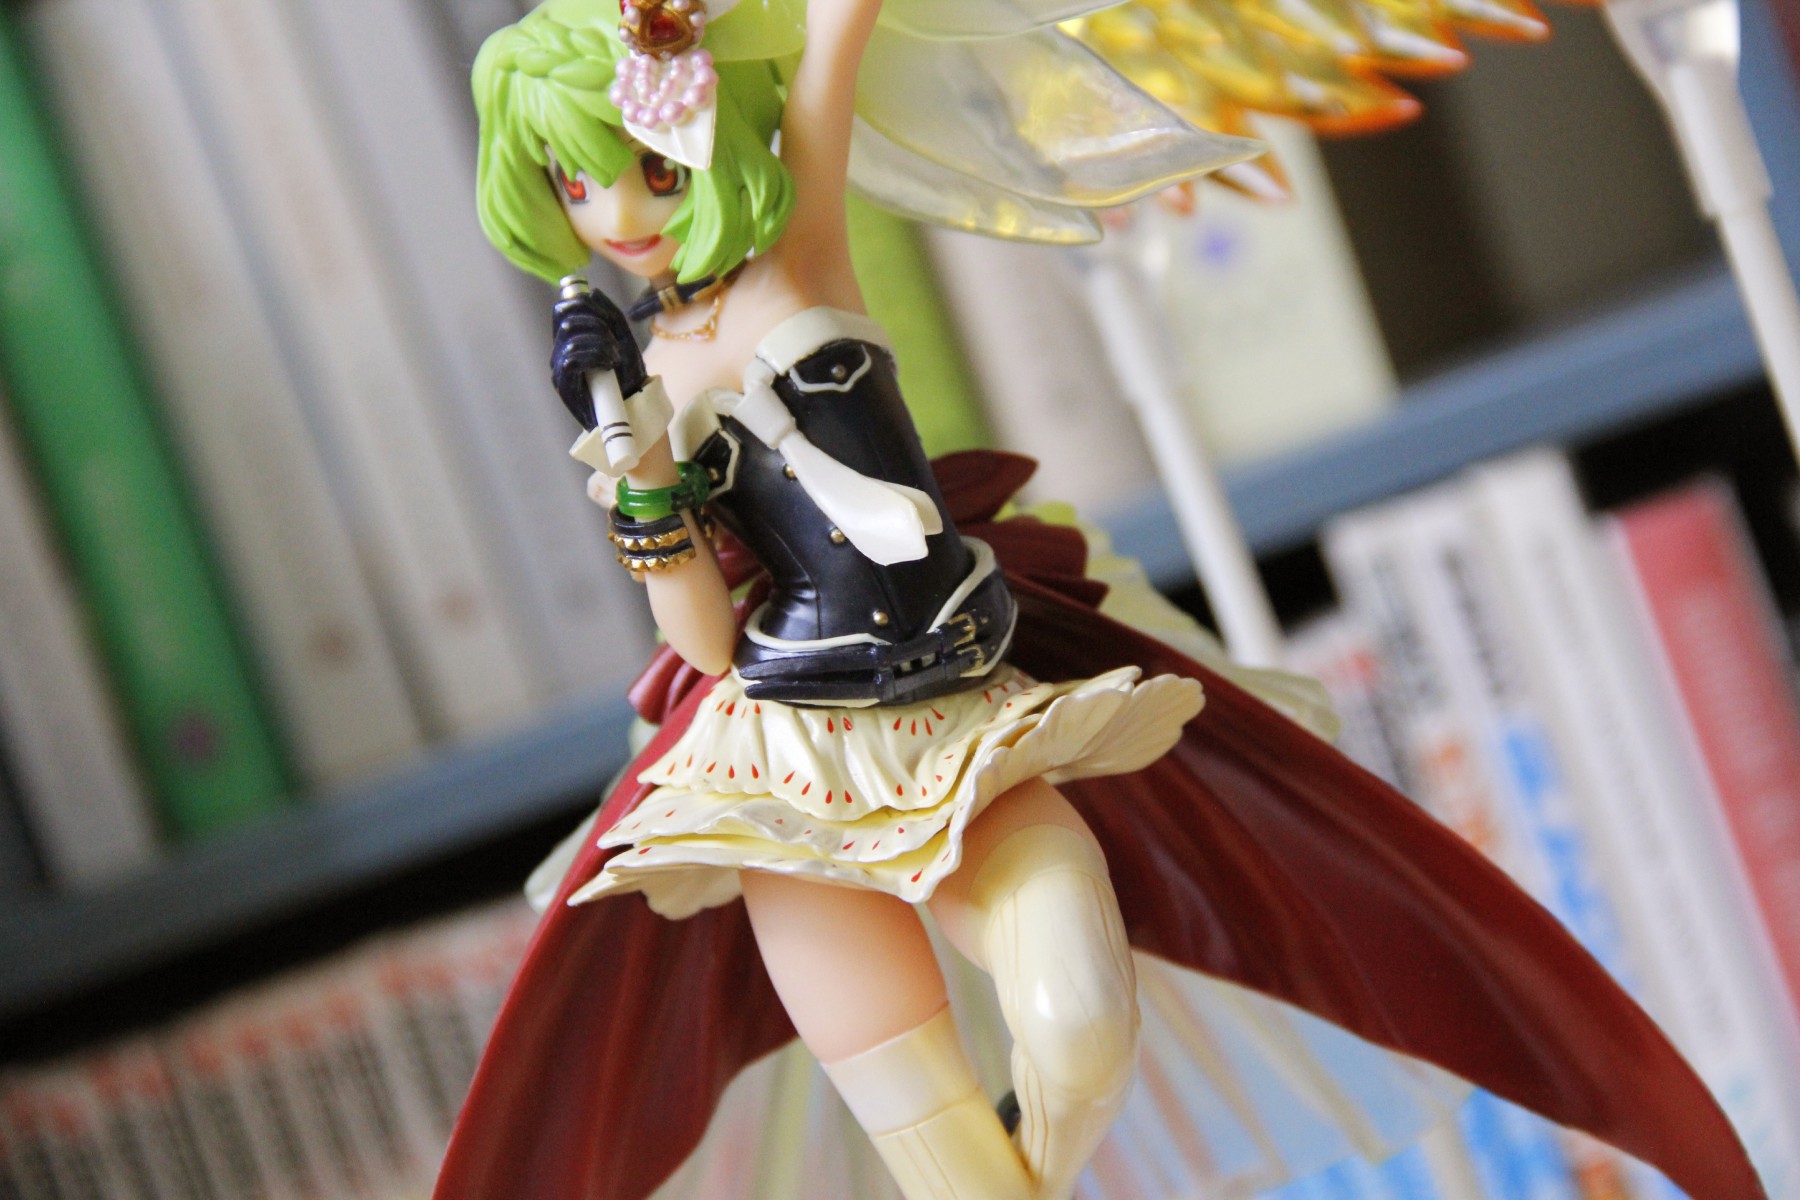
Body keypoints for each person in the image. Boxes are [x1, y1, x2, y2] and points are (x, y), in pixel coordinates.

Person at [434, 2, 1764, 1198]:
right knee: (946, 1160)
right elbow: (703, 643)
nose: (620, 214)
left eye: (654, 168)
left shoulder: (802, 253)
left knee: (1077, 1015)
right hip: (782, 769)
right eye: (578, 182)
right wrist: (639, 476)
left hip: (953, 715)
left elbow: (840, 30)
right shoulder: (640, 386)